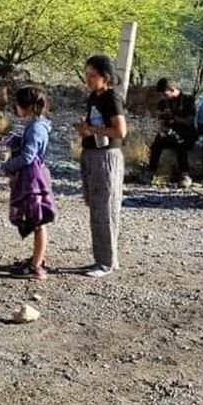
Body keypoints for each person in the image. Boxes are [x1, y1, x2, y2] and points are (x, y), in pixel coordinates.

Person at [75, 54, 127, 278]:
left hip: (106, 156)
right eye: (86, 75)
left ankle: (106, 262)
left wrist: (94, 131)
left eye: (93, 75)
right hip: (91, 153)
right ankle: (102, 258)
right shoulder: (93, 98)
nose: (88, 79)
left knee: (105, 207)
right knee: (95, 206)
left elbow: (120, 131)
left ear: (105, 77)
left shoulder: (111, 97)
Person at [1, 86, 55, 281]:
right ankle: (36, 259)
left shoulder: (34, 128)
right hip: (38, 175)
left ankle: (36, 266)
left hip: (33, 179)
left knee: (38, 222)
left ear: (28, 107)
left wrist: (8, 166)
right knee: (37, 220)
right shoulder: (40, 125)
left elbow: (27, 156)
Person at [146, 77, 197, 187]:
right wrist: (162, 121)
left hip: (186, 133)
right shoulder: (164, 103)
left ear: (172, 89)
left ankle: (185, 174)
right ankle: (150, 172)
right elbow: (160, 121)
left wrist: (174, 118)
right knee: (158, 140)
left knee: (180, 142)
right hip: (170, 131)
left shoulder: (188, 100)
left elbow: (189, 121)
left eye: (165, 93)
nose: (163, 97)